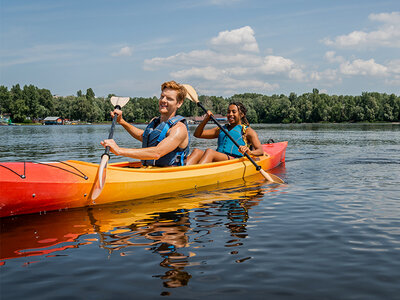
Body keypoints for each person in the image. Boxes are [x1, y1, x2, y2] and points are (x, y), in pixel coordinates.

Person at [101, 81, 189, 167]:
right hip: (149, 169)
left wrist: (119, 150)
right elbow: (143, 136)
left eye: (169, 98)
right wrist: (122, 121)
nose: (163, 100)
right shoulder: (155, 121)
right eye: (162, 96)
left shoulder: (179, 129)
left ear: (179, 103)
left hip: (169, 174)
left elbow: (157, 153)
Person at [186, 102, 264, 165]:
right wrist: (206, 120)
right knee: (197, 151)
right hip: (219, 158)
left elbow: (260, 151)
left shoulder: (247, 131)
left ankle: (196, 174)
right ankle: (182, 172)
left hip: (234, 160)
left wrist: (249, 152)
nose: (230, 114)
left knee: (210, 152)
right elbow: (197, 134)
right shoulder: (221, 129)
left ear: (241, 114)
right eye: (228, 112)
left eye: (234, 112)